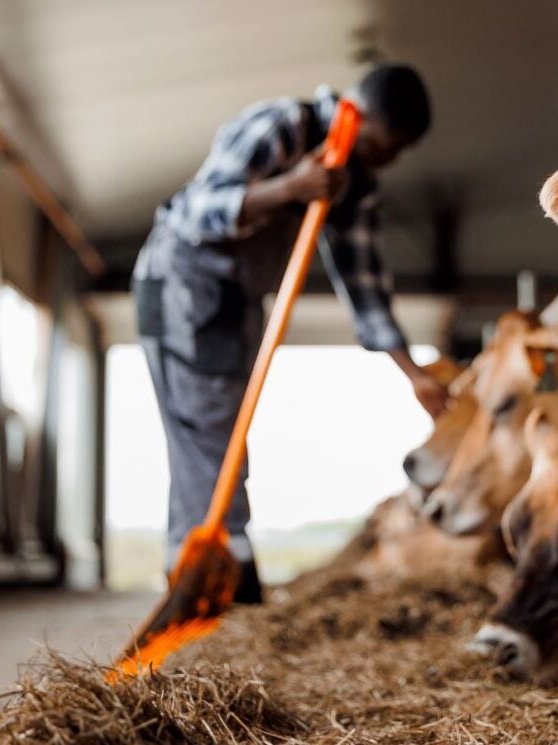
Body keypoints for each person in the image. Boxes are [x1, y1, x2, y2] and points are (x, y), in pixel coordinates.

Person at [132, 64, 447, 603]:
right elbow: (195, 211)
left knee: (221, 435)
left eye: (398, 153)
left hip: (240, 297)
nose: (387, 161)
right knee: (206, 433)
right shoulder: (279, 126)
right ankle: (220, 581)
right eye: (384, 145)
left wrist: (412, 372)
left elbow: (365, 284)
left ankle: (205, 575)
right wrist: (288, 188)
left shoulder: (356, 180)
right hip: (184, 281)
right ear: (356, 113)